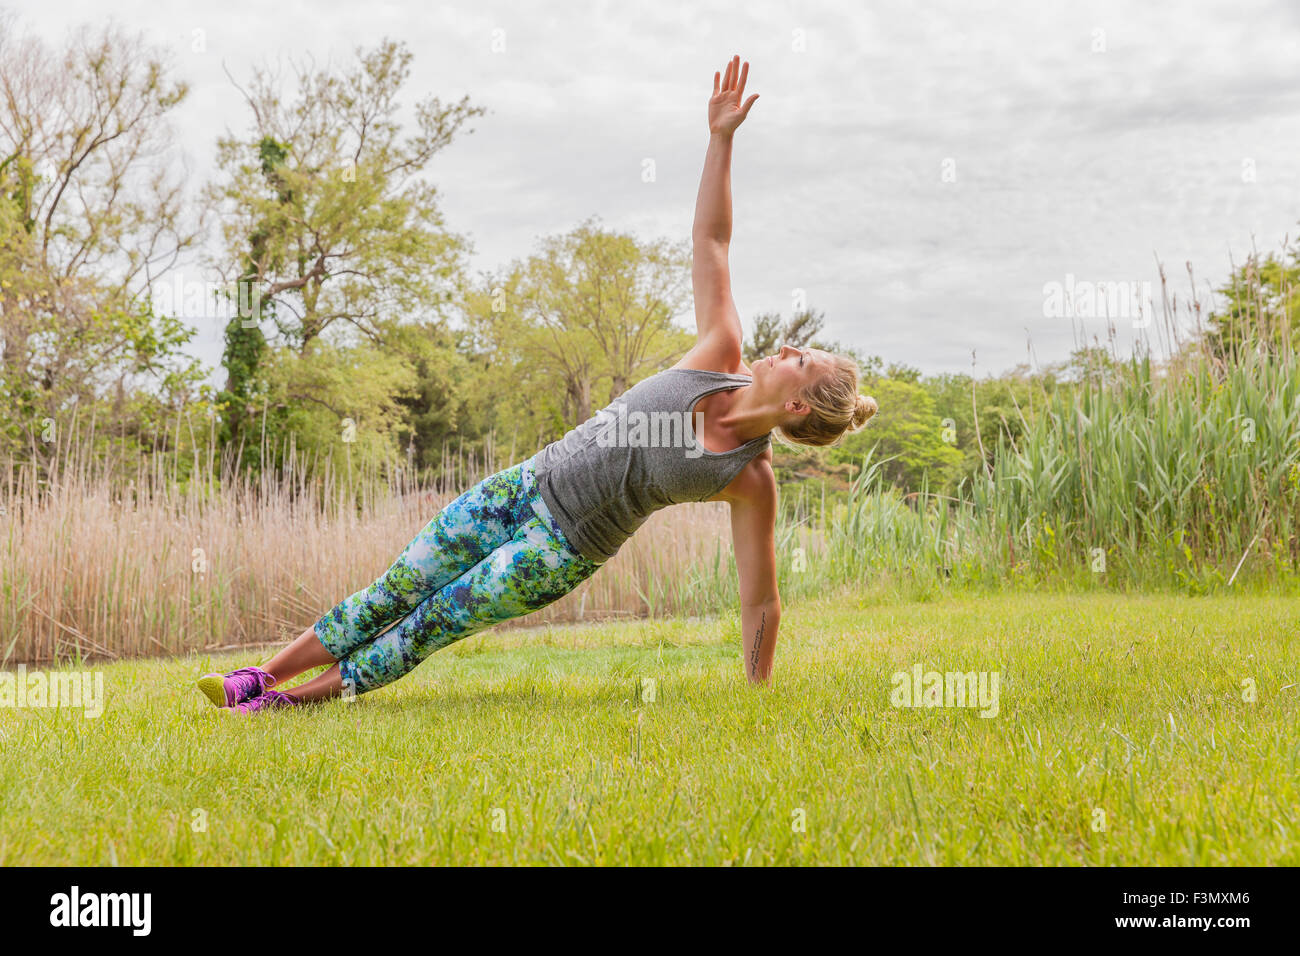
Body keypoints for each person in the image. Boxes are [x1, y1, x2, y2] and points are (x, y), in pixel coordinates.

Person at [197, 55, 877, 714]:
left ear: (796, 403)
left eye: (801, 358)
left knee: (432, 622)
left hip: (562, 549)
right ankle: (256, 677)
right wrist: (719, 142)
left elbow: (761, 599)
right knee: (400, 586)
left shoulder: (749, 479)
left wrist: (758, 694)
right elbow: (712, 243)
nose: (785, 346)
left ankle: (283, 705)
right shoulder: (718, 350)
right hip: (522, 486)